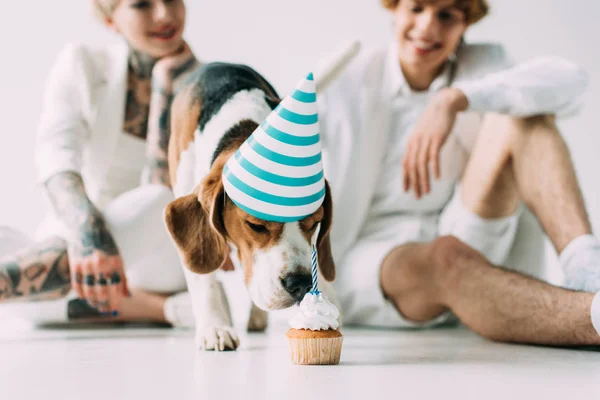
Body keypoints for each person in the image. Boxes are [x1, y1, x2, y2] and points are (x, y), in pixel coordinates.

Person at [318, 0, 600, 345]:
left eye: (446, 15)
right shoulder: (350, 78)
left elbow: (573, 81)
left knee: (526, 114)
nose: (427, 27)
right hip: (371, 258)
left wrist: (454, 98)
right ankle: (592, 320)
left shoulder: (480, 67)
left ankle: (587, 271)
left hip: (463, 232)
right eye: (416, 8)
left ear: (466, 23)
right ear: (394, 9)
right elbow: (276, 149)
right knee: (446, 256)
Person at [0, 0, 203, 326]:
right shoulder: (84, 63)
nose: (164, 14)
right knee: (4, 239)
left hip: (160, 253)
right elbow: (56, 153)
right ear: (111, 20)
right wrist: (90, 235)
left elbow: (166, 189)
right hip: (84, 244)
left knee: (160, 201)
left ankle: (64, 297)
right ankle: (158, 308)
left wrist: (166, 84)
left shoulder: (207, 82)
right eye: (142, 5)